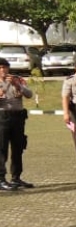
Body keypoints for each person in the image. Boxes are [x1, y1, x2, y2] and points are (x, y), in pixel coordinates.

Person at [0, 58, 34, 191]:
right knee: (2, 149)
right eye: (0, 68)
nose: (3, 70)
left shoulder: (17, 79)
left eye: (5, 67)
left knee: (18, 148)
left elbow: (29, 94)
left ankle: (16, 177)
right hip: (2, 117)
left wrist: (17, 85)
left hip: (18, 117)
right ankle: (1, 179)